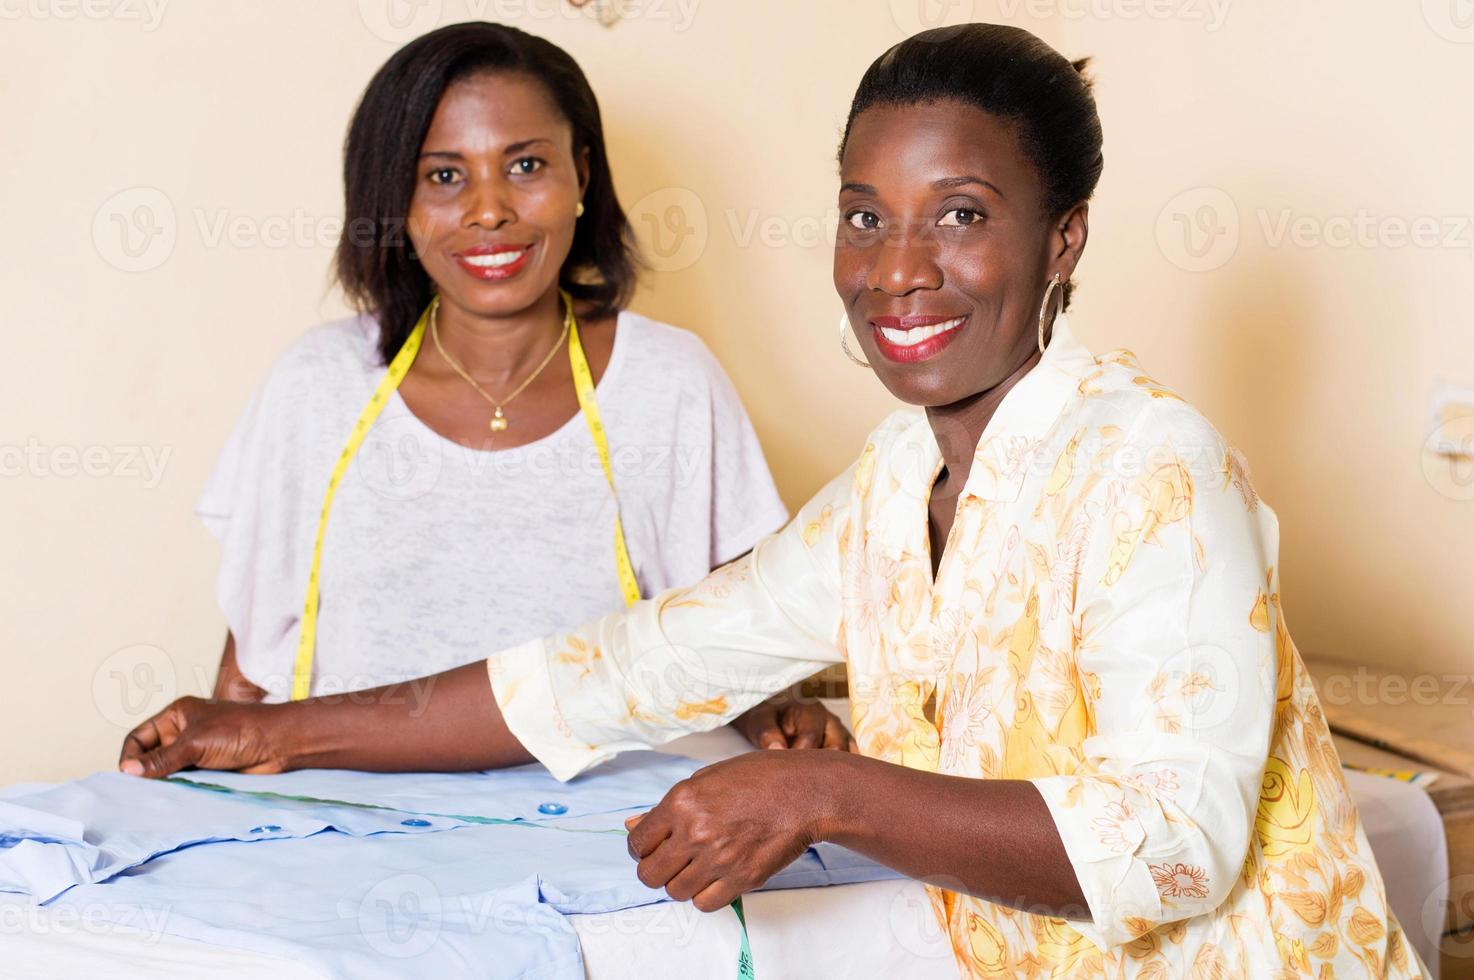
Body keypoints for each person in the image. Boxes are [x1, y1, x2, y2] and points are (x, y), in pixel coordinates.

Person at [122, 24, 1422, 978]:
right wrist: (274, 729)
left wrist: (824, 793)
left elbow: (1174, 848)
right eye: (865, 217)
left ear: (1061, 240)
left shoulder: (1151, 467)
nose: (897, 270)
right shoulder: (890, 490)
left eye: (957, 214)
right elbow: (607, 673)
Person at [198, 22, 844, 749]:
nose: (489, 210)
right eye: (444, 175)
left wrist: (779, 716)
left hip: (612, 831)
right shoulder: (315, 389)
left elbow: (740, 640)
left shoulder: (668, 385)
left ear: (582, 176)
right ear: (396, 199)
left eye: (527, 165)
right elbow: (246, 681)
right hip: (348, 825)